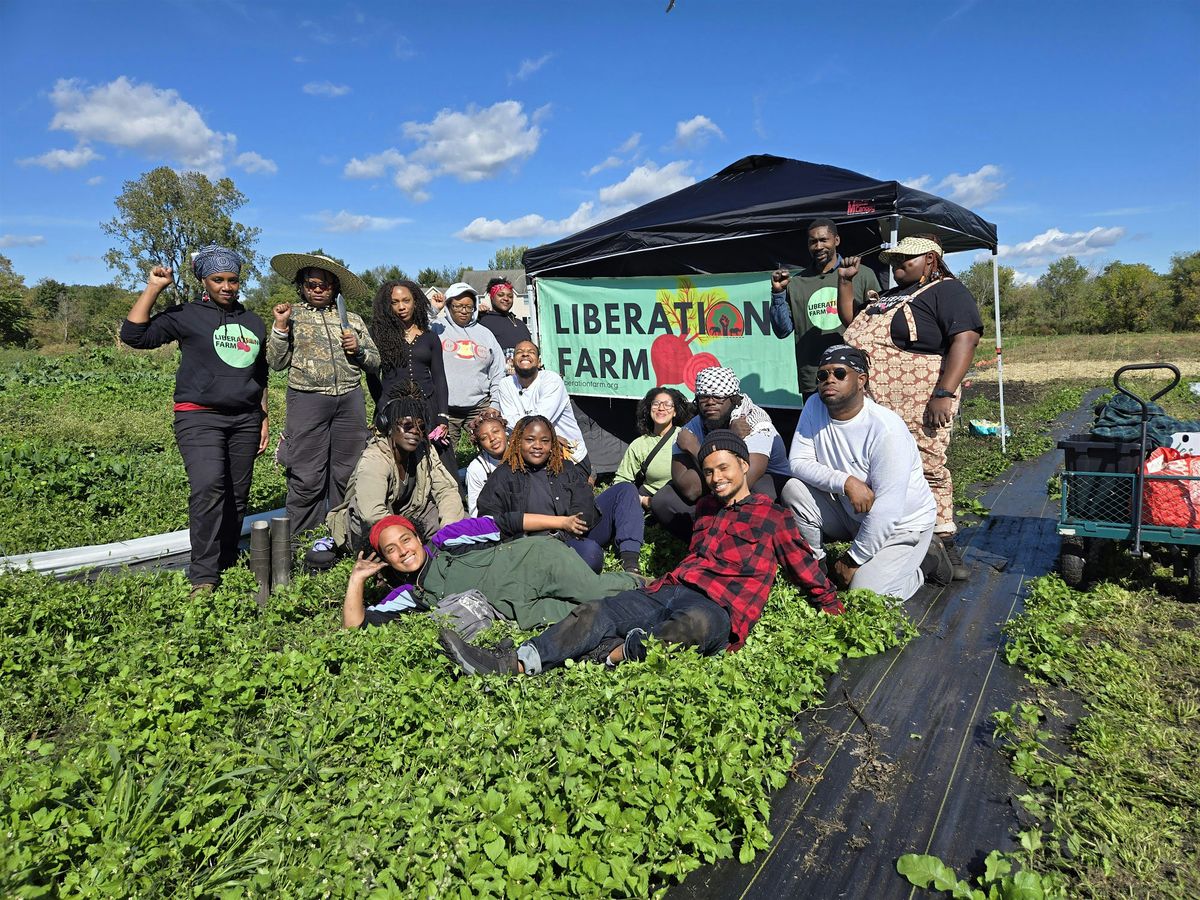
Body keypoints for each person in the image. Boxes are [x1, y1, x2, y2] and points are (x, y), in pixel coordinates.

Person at [437, 430, 843, 677]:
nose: (716, 478)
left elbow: (805, 568)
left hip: (719, 608)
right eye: (709, 472)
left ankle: (612, 654)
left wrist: (833, 608)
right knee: (598, 609)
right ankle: (514, 663)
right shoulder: (704, 509)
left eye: (724, 468)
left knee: (690, 629)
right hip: (670, 588)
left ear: (742, 464)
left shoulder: (772, 516)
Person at [119, 246, 268, 594]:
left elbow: (260, 373)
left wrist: (263, 416)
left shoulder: (252, 321)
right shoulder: (187, 314)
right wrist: (154, 288)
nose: (227, 287)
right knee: (208, 487)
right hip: (199, 416)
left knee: (237, 494)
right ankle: (203, 574)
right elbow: (134, 336)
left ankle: (227, 560)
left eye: (233, 280)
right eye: (219, 280)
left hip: (245, 418)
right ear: (204, 280)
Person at [837, 235, 983, 580]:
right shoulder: (889, 297)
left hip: (921, 400)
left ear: (931, 260)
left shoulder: (947, 291)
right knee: (884, 467)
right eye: (895, 260)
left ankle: (943, 541)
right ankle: (893, 536)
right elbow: (851, 323)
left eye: (907, 259)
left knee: (928, 464)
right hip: (878, 403)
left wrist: (944, 392)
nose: (898, 265)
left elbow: (966, 339)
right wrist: (845, 282)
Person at [782, 345, 952, 599]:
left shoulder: (885, 430)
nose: (829, 380)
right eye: (823, 375)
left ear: (861, 380)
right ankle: (817, 564)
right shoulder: (814, 406)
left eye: (840, 374)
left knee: (865, 594)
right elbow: (797, 461)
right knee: (793, 489)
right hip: (853, 512)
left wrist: (852, 560)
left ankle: (926, 563)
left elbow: (887, 510)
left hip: (901, 525)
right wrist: (846, 482)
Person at [340, 514, 639, 630]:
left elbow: (509, 522)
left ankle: (647, 582)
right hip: (521, 608)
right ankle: (655, 599)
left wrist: (559, 524)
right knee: (589, 613)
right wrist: (356, 580)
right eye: (391, 549)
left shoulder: (448, 539)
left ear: (417, 538)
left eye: (405, 539)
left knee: (595, 591)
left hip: (536, 562)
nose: (403, 550)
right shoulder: (410, 595)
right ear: (386, 560)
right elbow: (355, 626)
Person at [267, 252, 380, 537]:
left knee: (347, 470)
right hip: (307, 399)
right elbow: (276, 363)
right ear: (302, 286)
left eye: (324, 285)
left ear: (335, 287)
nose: (317, 289)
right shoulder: (292, 316)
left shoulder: (351, 319)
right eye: (311, 284)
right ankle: (304, 539)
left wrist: (359, 350)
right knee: (306, 473)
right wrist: (280, 328)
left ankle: (343, 534)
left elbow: (376, 361)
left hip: (349, 398)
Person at [477, 415, 641, 574]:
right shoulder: (503, 475)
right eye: (530, 440)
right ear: (518, 442)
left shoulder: (566, 468)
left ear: (553, 444)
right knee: (590, 555)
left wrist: (568, 532)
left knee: (625, 490)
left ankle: (631, 565)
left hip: (572, 536)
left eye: (545, 441)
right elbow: (489, 522)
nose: (537, 445)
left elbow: (584, 503)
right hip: (530, 547)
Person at [649, 366, 793, 541]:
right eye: (703, 397)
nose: (710, 402)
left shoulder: (756, 423)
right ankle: (706, 543)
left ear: (733, 399)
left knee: (754, 492)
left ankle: (759, 545)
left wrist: (696, 449)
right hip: (717, 484)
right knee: (664, 500)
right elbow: (691, 490)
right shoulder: (689, 432)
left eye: (718, 397)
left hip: (765, 483)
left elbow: (742, 483)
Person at [320, 395, 463, 562]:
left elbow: (446, 490)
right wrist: (408, 537)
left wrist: (449, 531)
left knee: (461, 520)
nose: (415, 432)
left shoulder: (425, 451)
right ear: (388, 427)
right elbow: (372, 513)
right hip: (369, 526)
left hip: (409, 515)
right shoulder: (375, 459)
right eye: (407, 426)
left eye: (421, 427)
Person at [770, 219, 881, 402]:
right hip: (814, 378)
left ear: (836, 240)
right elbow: (782, 331)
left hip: (854, 374)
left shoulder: (862, 274)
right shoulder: (796, 282)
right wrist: (778, 294)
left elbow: (877, 326)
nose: (819, 246)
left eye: (824, 240)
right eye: (813, 242)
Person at [370, 279, 451, 467]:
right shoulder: (377, 336)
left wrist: (442, 416)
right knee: (395, 464)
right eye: (395, 302)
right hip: (392, 408)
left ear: (415, 302)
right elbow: (372, 376)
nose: (401, 307)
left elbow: (439, 378)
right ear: (387, 306)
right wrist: (381, 405)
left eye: (406, 301)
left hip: (427, 407)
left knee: (436, 463)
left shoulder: (430, 337)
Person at [435, 282, 506, 465]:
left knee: (494, 448)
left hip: (479, 405)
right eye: (458, 306)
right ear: (449, 305)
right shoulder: (436, 328)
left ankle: (492, 481)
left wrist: (495, 403)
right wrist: (433, 309)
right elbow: (414, 329)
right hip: (445, 408)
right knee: (443, 456)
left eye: (468, 306)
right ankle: (450, 488)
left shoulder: (485, 334)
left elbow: (497, 371)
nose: (464, 311)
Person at [495, 340, 589, 470]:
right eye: (520, 352)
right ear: (511, 361)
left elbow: (538, 422)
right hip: (531, 457)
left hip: (569, 456)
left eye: (531, 352)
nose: (525, 355)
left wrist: (550, 439)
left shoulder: (552, 380)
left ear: (539, 362)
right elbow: (509, 421)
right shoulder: (505, 384)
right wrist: (553, 437)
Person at [477, 276, 532, 370]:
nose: (506, 298)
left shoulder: (520, 324)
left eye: (510, 296)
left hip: (522, 379)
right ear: (492, 297)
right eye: (501, 295)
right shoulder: (482, 321)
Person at [464, 407, 508, 517]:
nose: (492, 438)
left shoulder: (524, 454)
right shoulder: (476, 468)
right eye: (484, 438)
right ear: (479, 444)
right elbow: (475, 512)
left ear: (505, 430)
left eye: (496, 431)